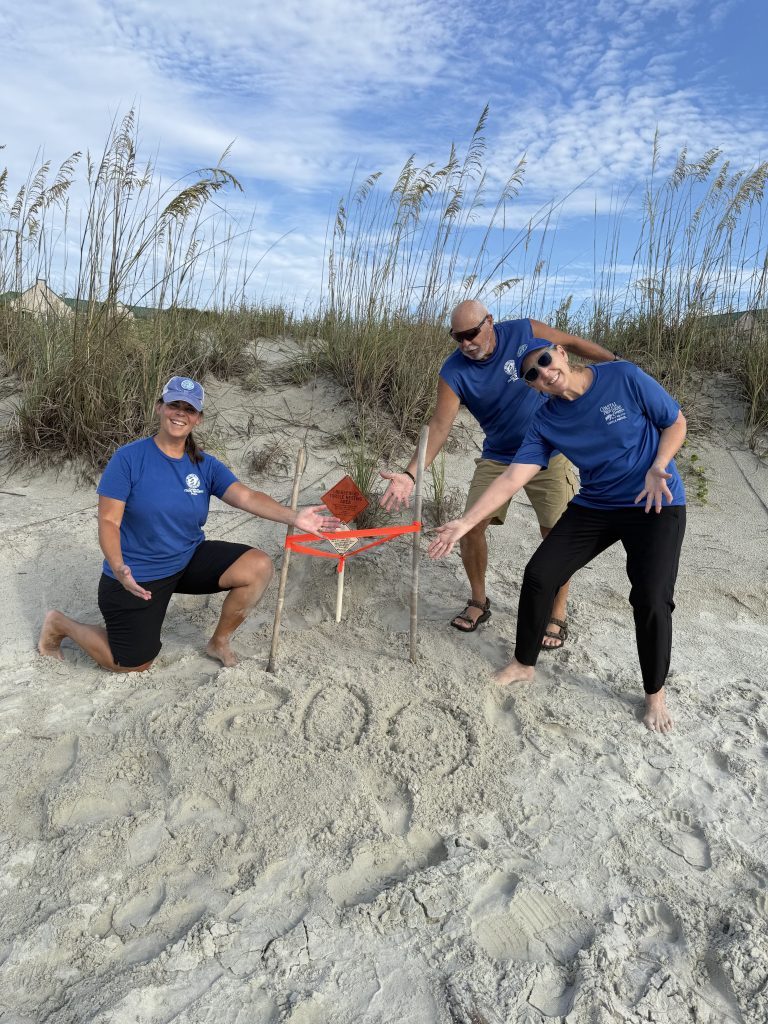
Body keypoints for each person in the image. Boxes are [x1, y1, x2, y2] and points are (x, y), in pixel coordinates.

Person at [428, 339, 687, 733]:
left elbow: (674, 422)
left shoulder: (622, 376)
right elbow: (514, 476)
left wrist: (660, 464)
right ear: (531, 386)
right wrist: (465, 523)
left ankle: (655, 693)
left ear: (562, 353)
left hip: (655, 499)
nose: (544, 373)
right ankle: (523, 663)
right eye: (533, 373)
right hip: (598, 505)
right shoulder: (547, 421)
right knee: (540, 574)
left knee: (651, 597)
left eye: (546, 361)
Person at [38, 376, 338, 671]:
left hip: (186, 560)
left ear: (198, 419)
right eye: (174, 405)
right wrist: (119, 567)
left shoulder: (204, 465)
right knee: (132, 664)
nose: (180, 413)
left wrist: (294, 516)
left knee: (258, 566)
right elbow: (107, 521)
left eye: (189, 409)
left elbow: (246, 497)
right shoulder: (128, 459)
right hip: (137, 575)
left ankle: (219, 642)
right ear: (160, 408)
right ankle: (60, 624)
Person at [380, 299, 617, 645]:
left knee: (557, 533)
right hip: (500, 455)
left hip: (550, 449)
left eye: (472, 334)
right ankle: (478, 600)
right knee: (470, 525)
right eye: (457, 337)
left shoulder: (524, 330)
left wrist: (616, 363)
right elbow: (440, 425)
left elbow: (573, 344)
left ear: (490, 322)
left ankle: (557, 611)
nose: (465, 344)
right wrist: (411, 474)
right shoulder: (454, 371)